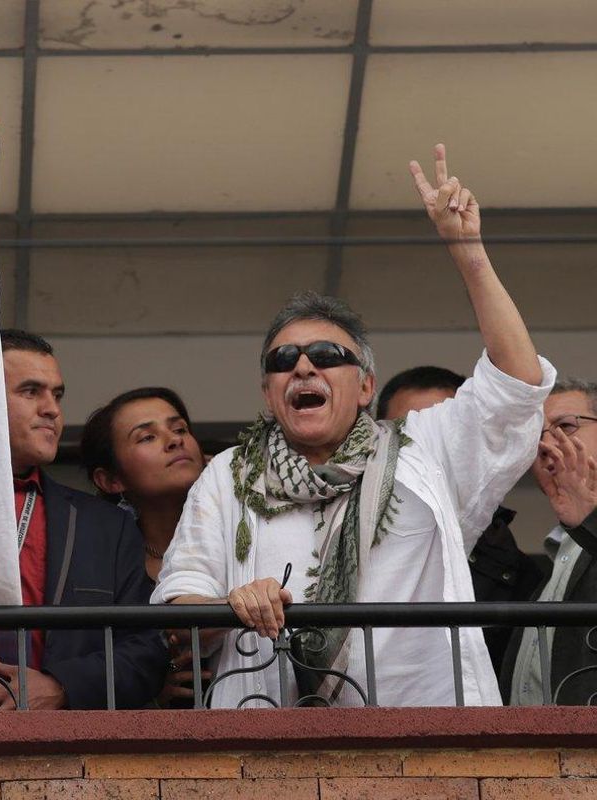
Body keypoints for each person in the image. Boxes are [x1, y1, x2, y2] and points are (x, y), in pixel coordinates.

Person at [152, 144, 554, 707]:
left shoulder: (425, 450)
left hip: (420, 735)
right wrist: (234, 606)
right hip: (268, 746)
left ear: (366, 385)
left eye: (325, 353)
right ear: (268, 393)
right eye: (282, 360)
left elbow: (517, 384)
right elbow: (181, 610)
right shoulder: (228, 474)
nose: (303, 366)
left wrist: (469, 252)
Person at [0, 330, 167, 710]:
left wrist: (60, 687)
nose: (52, 409)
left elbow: (146, 650)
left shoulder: (106, 527)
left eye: (57, 394)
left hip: (69, 747)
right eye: (31, 391)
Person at [377, 366, 543, 671]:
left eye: (446, 434)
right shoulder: (349, 545)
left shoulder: (525, 576)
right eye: (408, 435)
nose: (427, 450)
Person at [81, 386, 205, 705]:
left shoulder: (244, 534)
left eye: (179, 429)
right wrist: (146, 694)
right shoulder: (100, 565)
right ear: (110, 480)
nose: (175, 440)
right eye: (147, 437)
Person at [505, 379, 597, 705]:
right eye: (535, 435)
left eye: (566, 426)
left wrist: (590, 519)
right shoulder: (560, 551)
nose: (547, 444)